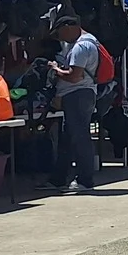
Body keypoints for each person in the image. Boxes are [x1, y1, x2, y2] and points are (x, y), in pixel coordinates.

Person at [43, 14, 102, 193]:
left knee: (80, 137)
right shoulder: (91, 41)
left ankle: (85, 180)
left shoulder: (81, 46)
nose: (60, 39)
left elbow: (74, 77)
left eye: (60, 34)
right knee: (68, 138)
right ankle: (59, 178)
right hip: (82, 94)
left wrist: (55, 69)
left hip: (77, 95)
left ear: (69, 27)